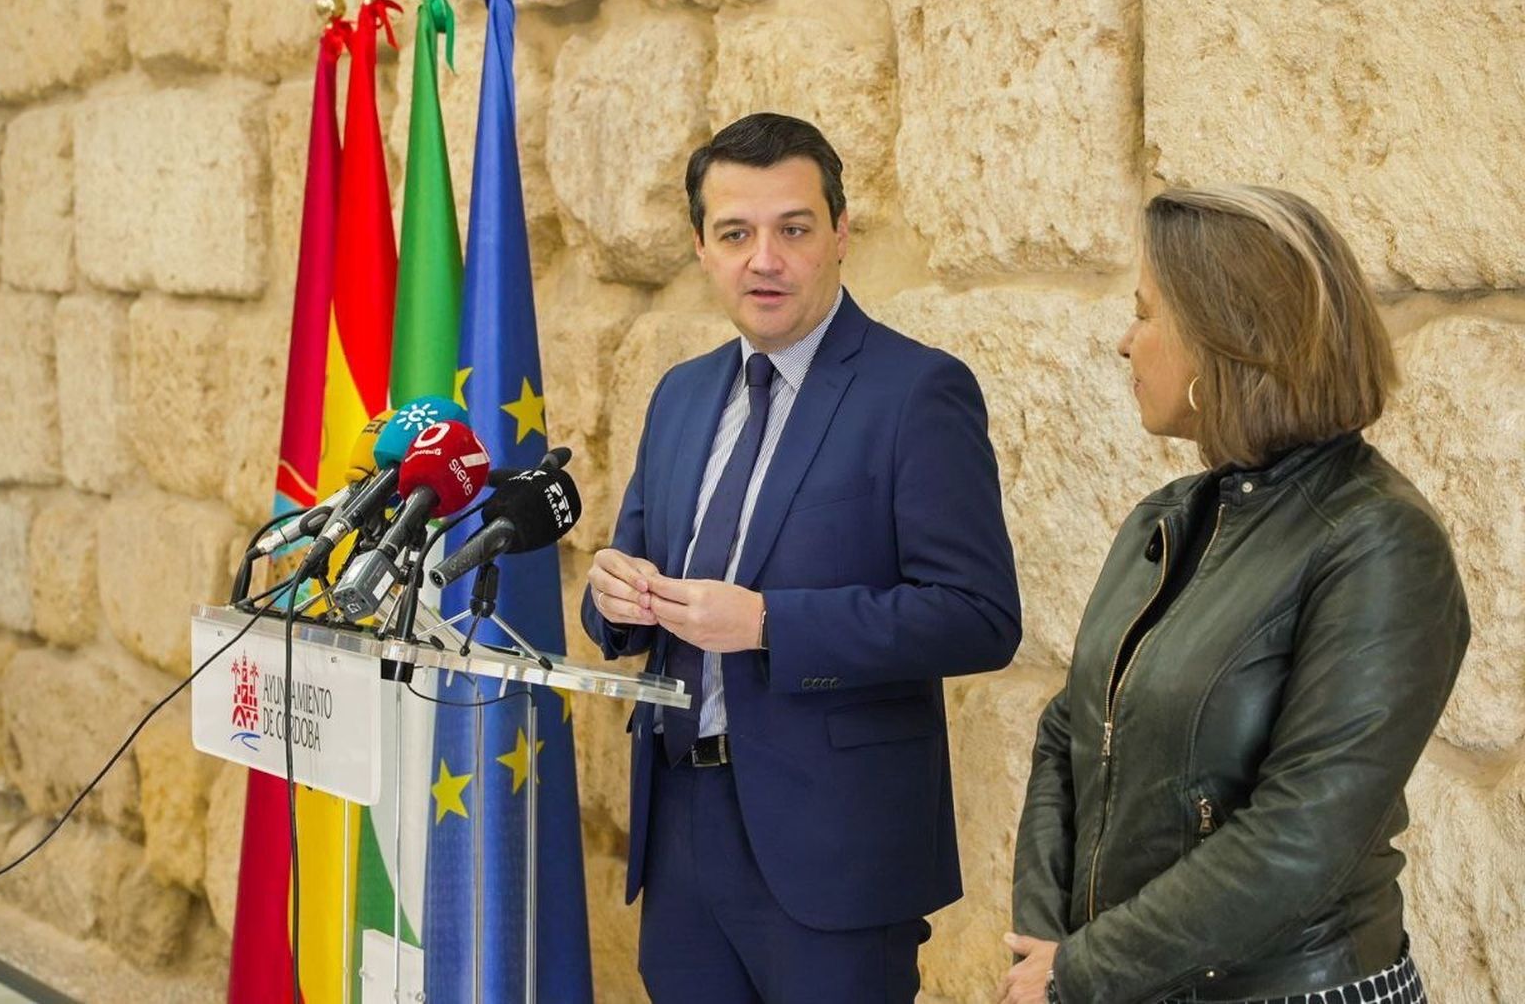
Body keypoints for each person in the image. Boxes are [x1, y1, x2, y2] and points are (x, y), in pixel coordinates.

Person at [581, 112, 1022, 1003]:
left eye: (793, 229)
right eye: (735, 233)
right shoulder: (679, 394)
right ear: (701, 247)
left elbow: (979, 616)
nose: (765, 260)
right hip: (681, 835)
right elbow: (629, 573)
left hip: (836, 852)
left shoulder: (917, 390)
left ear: (840, 233)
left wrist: (770, 624)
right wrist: (612, 595)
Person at [1002, 185, 1468, 1004]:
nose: (1124, 341)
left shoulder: (1378, 539)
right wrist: (1043, 947)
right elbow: (1067, 731)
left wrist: (1079, 971)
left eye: (1145, 313)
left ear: (1225, 337)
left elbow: (1302, 837)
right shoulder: (1164, 520)